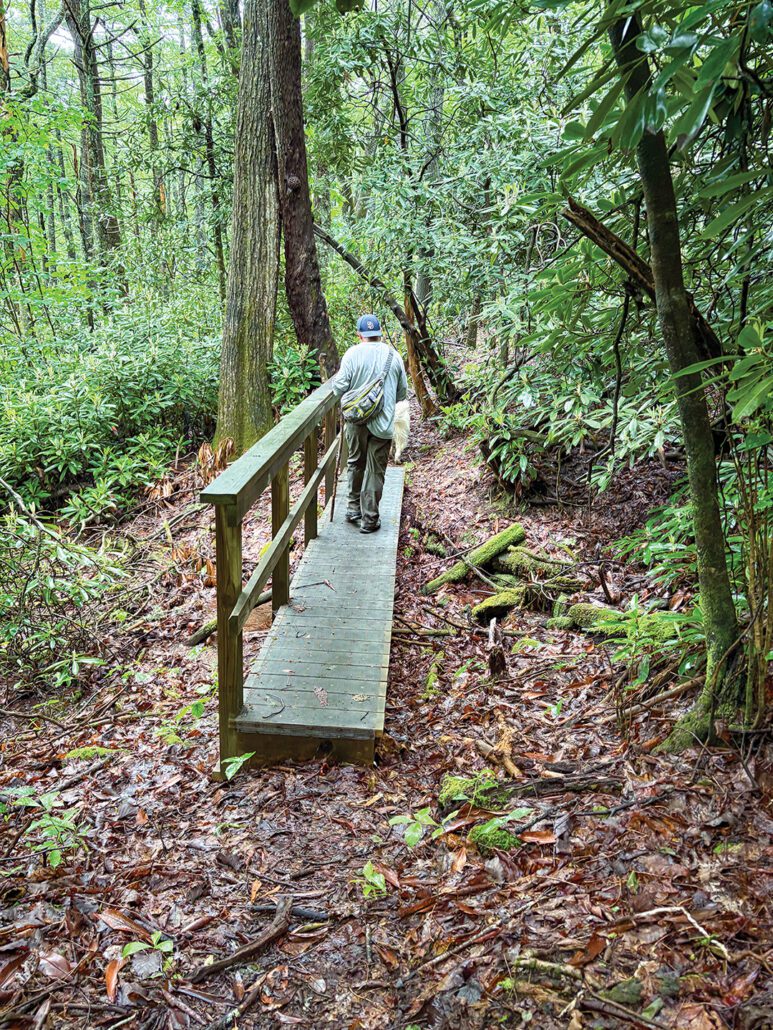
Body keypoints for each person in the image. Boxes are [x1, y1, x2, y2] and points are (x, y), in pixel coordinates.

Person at [332, 314, 408, 534]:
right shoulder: (393, 356)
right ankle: (370, 519)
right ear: (380, 333)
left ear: (359, 335)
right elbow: (401, 393)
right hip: (383, 424)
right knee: (376, 470)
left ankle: (353, 507)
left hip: (356, 421)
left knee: (355, 462)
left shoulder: (352, 354)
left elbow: (339, 387)